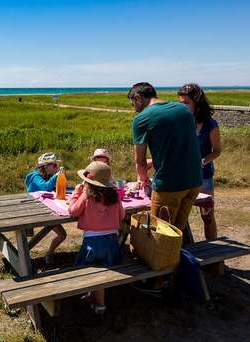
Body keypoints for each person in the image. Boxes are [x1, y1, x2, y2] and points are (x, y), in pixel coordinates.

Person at [128, 82, 202, 235]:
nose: (134, 107)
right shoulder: (183, 109)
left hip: (169, 185)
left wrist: (144, 180)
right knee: (177, 232)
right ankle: (178, 256)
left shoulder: (141, 119)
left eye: (133, 103)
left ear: (139, 98)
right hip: (194, 181)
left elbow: (139, 161)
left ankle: (165, 258)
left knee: (160, 235)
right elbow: (181, 145)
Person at [68, 161, 125, 314]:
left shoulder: (87, 195)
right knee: (101, 267)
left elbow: (73, 211)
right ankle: (97, 302)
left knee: (91, 268)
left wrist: (76, 194)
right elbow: (122, 215)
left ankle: (96, 301)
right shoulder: (114, 196)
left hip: (92, 245)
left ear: (88, 182)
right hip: (112, 244)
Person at [178, 84, 221, 240]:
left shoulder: (210, 124)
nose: (182, 107)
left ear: (197, 102)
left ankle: (214, 257)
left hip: (204, 178)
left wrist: (202, 161)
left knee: (207, 216)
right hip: (183, 178)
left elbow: (217, 150)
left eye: (186, 103)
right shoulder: (181, 122)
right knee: (180, 219)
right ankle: (183, 254)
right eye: (180, 103)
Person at [25, 152, 67, 264]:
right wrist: (56, 176)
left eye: (56, 165)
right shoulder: (34, 176)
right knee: (25, 239)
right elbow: (45, 187)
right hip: (32, 212)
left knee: (62, 235)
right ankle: (22, 258)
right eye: (54, 165)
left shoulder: (46, 176)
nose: (56, 167)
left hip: (46, 210)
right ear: (45, 166)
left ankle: (49, 253)